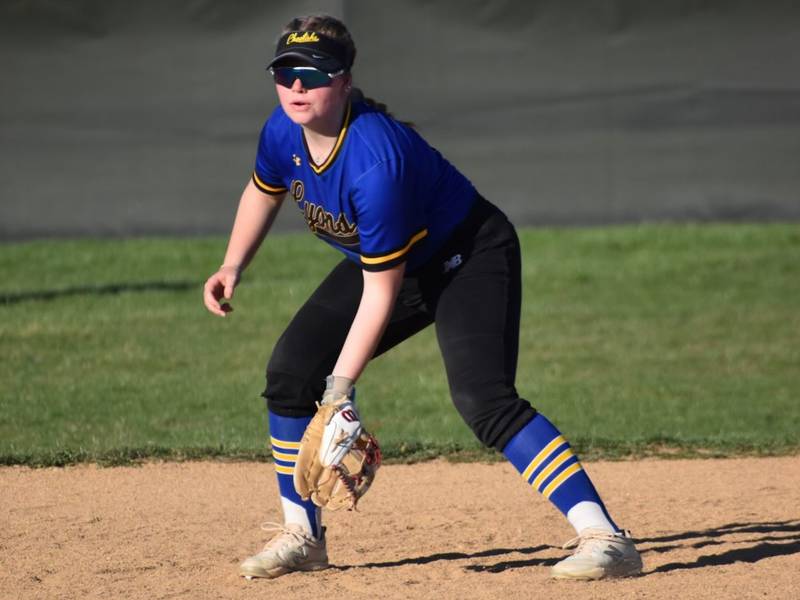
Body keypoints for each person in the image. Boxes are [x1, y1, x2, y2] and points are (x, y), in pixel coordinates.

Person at [203, 14, 642, 581]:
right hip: (389, 264)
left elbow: (382, 291)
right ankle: (303, 536)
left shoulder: (375, 161)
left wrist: (339, 392)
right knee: (289, 373)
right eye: (286, 72)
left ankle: (606, 538)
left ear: (344, 80)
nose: (297, 87)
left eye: (313, 74)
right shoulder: (283, 130)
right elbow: (264, 189)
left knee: (484, 399)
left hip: (468, 256)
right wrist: (233, 264)